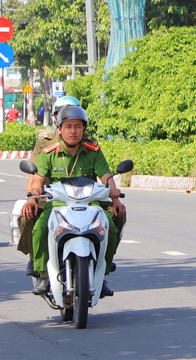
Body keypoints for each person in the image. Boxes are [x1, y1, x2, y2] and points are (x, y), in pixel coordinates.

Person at [19, 105, 124, 298]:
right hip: (57, 203)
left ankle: (103, 273)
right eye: (68, 126)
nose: (73, 131)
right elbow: (39, 176)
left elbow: (106, 175)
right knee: (41, 227)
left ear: (84, 130)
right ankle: (42, 274)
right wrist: (35, 188)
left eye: (77, 126)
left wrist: (114, 193)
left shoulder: (93, 151)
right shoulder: (49, 152)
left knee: (109, 224)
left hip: (89, 203)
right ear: (59, 129)